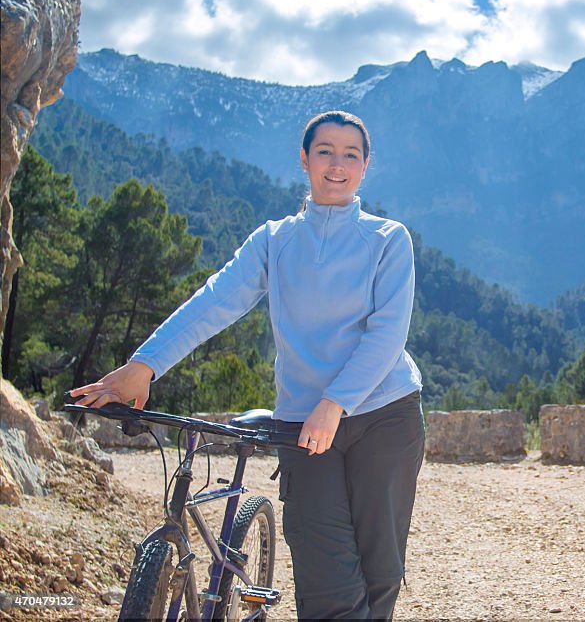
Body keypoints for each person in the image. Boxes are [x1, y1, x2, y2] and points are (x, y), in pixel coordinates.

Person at [70, 110, 426, 620]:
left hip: (385, 415)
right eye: (325, 151)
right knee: (326, 576)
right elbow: (214, 301)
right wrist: (144, 365)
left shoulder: (389, 239)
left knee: (380, 569)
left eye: (351, 154)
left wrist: (335, 402)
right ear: (304, 159)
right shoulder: (275, 240)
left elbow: (388, 333)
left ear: (366, 166)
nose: (337, 165)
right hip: (303, 425)